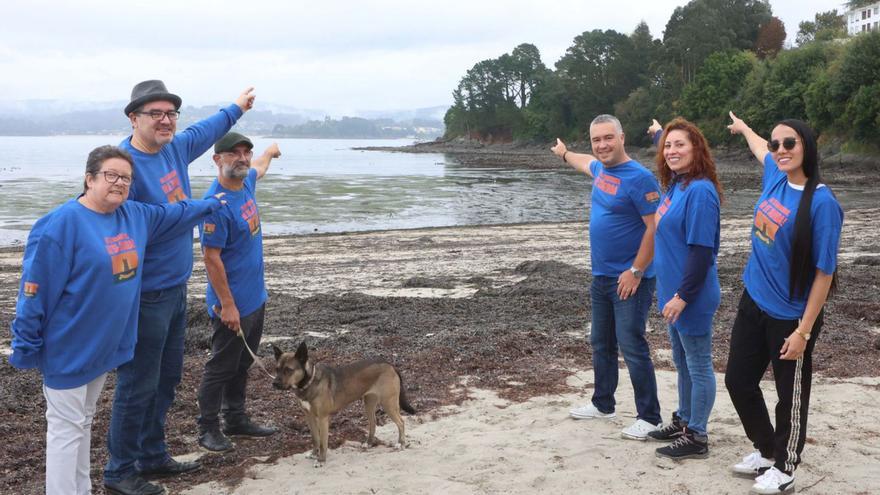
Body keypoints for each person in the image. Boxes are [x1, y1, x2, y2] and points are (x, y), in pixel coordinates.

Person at [8, 146, 224, 495]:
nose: (119, 183)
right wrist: (25, 343)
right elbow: (34, 291)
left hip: (106, 346)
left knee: (84, 421)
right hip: (69, 348)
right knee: (65, 429)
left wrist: (214, 203)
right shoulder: (60, 226)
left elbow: (177, 213)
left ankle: (82, 489)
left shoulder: (135, 215)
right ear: (89, 178)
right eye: (111, 175)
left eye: (126, 178)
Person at [104, 80, 256, 495]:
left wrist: (236, 107)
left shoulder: (172, 148)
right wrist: (202, 207)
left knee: (168, 378)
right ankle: (120, 472)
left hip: (175, 286)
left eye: (170, 112)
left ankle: (153, 454)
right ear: (134, 118)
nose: (165, 119)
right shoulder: (124, 166)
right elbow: (146, 220)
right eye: (155, 113)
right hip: (144, 292)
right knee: (137, 383)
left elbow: (205, 130)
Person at [725, 112, 843, 494]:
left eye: (789, 143)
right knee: (738, 381)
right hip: (753, 300)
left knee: (789, 398)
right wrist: (745, 130)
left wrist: (803, 332)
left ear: (806, 146)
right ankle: (765, 448)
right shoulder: (775, 175)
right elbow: (760, 147)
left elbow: (824, 274)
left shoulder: (823, 205)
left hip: (790, 316)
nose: (780, 150)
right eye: (777, 144)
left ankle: (785, 466)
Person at [551, 114, 664, 440]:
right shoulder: (602, 170)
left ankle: (650, 416)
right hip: (601, 276)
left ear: (622, 138)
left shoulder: (640, 178)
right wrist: (564, 153)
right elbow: (585, 162)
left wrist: (635, 271)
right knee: (601, 342)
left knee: (632, 345)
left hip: (630, 278)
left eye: (607, 138)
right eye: (597, 139)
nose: (602, 145)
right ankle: (603, 403)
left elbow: (655, 228)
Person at [195, 133, 281, 451]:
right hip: (231, 304)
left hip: (255, 297)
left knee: (242, 363)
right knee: (220, 367)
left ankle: (236, 419)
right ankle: (207, 428)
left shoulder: (245, 183)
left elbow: (259, 166)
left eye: (246, 152)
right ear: (217, 160)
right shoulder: (215, 205)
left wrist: (270, 151)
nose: (242, 158)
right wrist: (227, 305)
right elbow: (210, 257)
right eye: (234, 154)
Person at [644, 118, 723, 460]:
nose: (672, 151)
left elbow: (702, 252)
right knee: (682, 361)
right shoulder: (677, 184)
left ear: (697, 150)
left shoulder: (701, 191)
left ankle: (698, 436)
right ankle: (685, 420)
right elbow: (670, 144)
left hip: (691, 296)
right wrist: (661, 132)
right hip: (672, 294)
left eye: (680, 145)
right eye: (668, 146)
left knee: (699, 364)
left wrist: (682, 296)